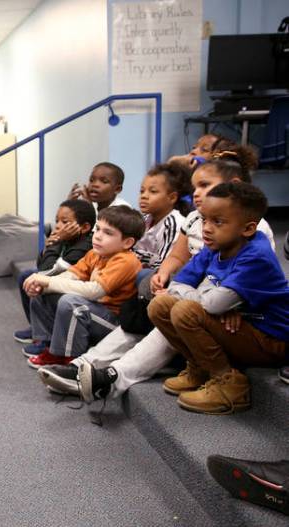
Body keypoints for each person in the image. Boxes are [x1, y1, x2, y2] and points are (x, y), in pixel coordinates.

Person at [40, 149, 278, 402]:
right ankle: (84, 365)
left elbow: (238, 290)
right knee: (158, 299)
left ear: (234, 187)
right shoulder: (201, 221)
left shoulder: (252, 233)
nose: (197, 193)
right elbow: (179, 260)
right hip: (202, 297)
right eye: (195, 186)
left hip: (235, 315)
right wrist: (167, 279)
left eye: (206, 186)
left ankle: (112, 378)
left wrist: (222, 301)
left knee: (177, 308)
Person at [147, 182, 288, 414]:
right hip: (241, 326)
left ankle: (229, 385)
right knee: (160, 306)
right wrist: (222, 304)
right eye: (204, 219)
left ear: (248, 228)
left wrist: (222, 304)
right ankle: (200, 368)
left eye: (218, 222)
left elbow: (213, 304)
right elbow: (177, 285)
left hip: (271, 339)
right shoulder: (214, 246)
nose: (207, 229)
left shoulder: (256, 256)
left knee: (185, 311)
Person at [23, 206, 144, 368]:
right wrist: (43, 285)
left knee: (72, 302)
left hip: (113, 322)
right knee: (44, 292)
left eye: (108, 233)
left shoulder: (126, 260)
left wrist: (49, 282)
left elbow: (94, 291)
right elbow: (71, 275)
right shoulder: (95, 254)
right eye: (98, 229)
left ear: (127, 242)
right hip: (94, 311)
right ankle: (47, 343)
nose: (98, 236)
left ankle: (66, 357)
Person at [14, 199, 96, 349]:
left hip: (76, 292)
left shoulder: (84, 246)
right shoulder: (68, 239)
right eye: (57, 220)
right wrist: (48, 247)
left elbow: (45, 273)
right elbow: (42, 266)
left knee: (39, 285)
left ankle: (47, 339)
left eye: (64, 222)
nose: (58, 226)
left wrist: (56, 242)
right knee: (26, 276)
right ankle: (37, 328)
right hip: (58, 279)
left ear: (84, 227)